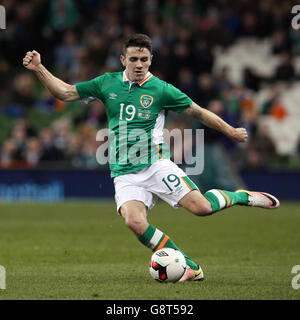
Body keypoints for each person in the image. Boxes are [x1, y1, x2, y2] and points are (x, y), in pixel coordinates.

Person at [23, 34, 280, 282]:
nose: (139, 64)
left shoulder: (161, 89)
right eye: (133, 59)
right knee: (134, 222)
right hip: (124, 173)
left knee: (201, 208)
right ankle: (189, 266)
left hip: (155, 165)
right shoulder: (106, 83)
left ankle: (242, 196)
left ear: (151, 59)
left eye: (144, 59)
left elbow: (198, 112)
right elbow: (65, 92)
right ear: (123, 60)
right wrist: (39, 68)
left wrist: (230, 130)